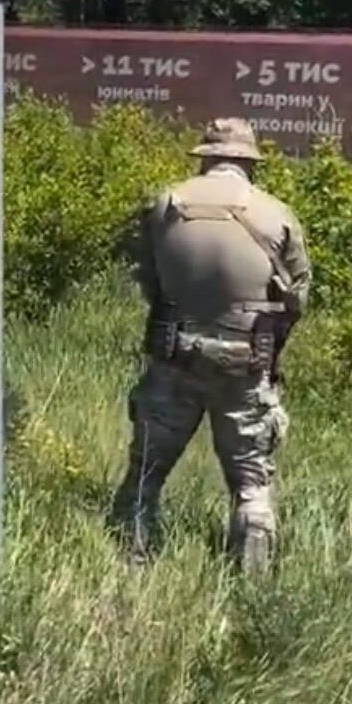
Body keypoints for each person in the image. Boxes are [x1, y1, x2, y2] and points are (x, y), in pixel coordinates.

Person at [111, 117, 312, 573]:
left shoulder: (167, 202)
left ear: (206, 158)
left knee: (145, 472)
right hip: (245, 363)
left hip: (175, 354)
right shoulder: (276, 214)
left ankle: (131, 564)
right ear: (248, 162)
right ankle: (250, 582)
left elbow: (146, 274)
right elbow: (297, 295)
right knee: (250, 482)